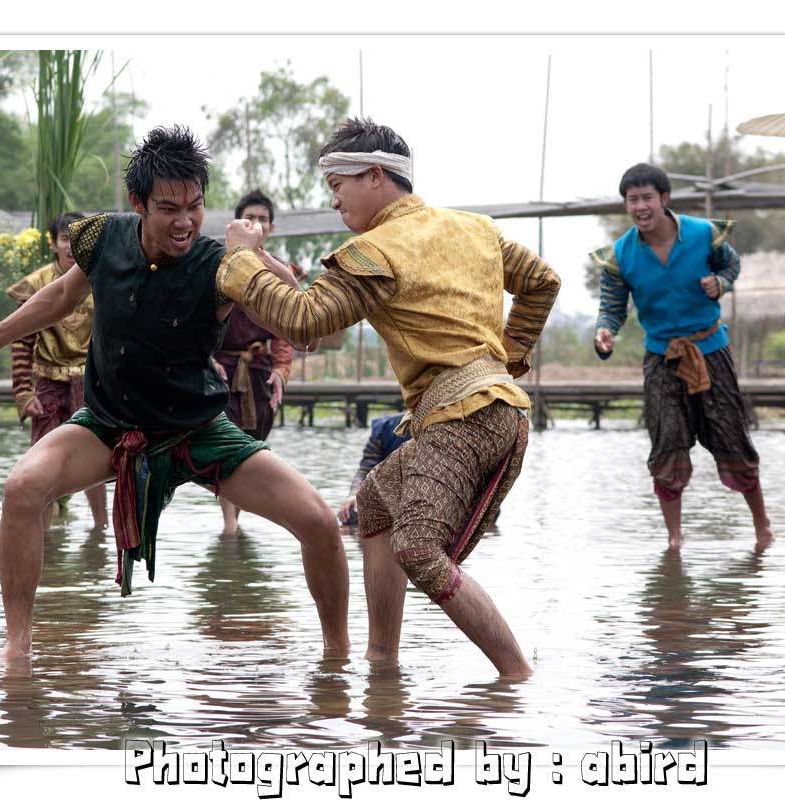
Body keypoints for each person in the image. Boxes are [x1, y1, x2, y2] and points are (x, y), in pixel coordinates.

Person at [0, 126, 349, 664]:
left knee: (321, 524)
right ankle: (17, 649)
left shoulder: (221, 264)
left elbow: (305, 328)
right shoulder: (102, 238)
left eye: (195, 206)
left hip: (197, 428)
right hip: (112, 423)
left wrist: (256, 257)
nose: (184, 222)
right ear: (138, 203)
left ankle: (338, 658)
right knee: (23, 487)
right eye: (168, 208)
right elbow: (60, 298)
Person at [217, 118, 560, 678]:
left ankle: (516, 679)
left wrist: (237, 262)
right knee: (374, 507)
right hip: (491, 410)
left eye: (339, 183)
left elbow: (304, 323)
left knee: (420, 552)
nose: (334, 198)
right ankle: (383, 665)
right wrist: (507, 359)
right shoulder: (474, 229)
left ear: (375, 176)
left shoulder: (376, 250)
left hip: (465, 420)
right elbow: (543, 281)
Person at [592, 163, 772, 550]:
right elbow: (612, 307)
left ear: (665, 200)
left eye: (647, 198)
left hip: (710, 348)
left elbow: (732, 265)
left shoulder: (703, 234)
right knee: (666, 445)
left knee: (732, 437)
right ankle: (674, 538)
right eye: (632, 200)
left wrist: (719, 283)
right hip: (661, 357)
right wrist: (605, 331)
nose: (640, 207)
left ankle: (762, 527)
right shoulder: (620, 256)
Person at [6, 211, 108, 531]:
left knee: (96, 457)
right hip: (48, 380)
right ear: (53, 243)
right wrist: (23, 392)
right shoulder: (37, 283)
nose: (71, 247)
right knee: (42, 461)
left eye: (78, 240)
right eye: (65, 239)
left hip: (90, 381)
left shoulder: (102, 279)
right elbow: (22, 341)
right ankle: (43, 532)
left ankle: (100, 529)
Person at [211, 190, 299, 534]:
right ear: (237, 225)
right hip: (222, 368)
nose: (257, 225)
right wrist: (205, 359)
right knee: (225, 441)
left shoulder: (279, 271)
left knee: (252, 444)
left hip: (259, 370)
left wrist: (280, 370)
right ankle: (229, 523)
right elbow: (202, 319)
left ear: (272, 227)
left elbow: (286, 328)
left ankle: (237, 519)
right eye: (250, 219)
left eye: (263, 219)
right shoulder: (220, 268)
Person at [337, 413, 410, 526]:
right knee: (352, 511)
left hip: (432, 498)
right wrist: (355, 494)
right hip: (393, 496)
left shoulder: (442, 427)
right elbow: (366, 469)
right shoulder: (386, 428)